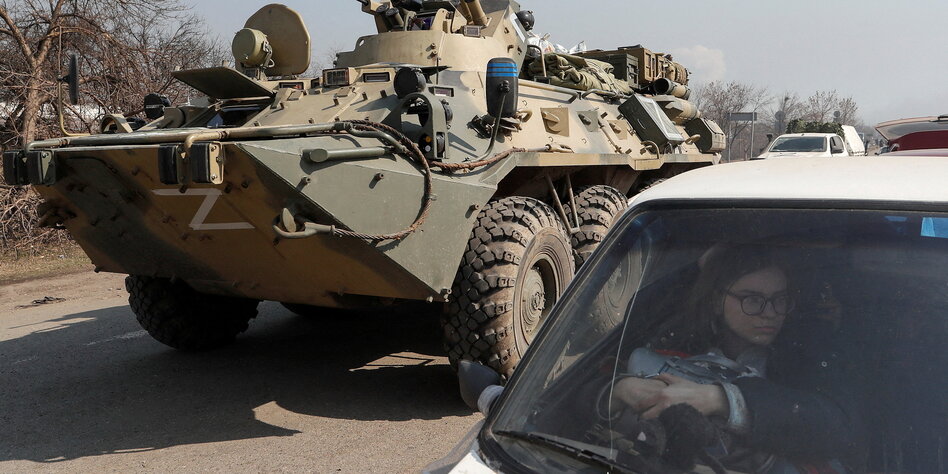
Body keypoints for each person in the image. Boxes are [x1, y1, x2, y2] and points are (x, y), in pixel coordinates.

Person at [611, 244, 863, 472]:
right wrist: (618, 390)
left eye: (780, 299)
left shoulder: (805, 354)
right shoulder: (680, 340)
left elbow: (837, 426)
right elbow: (633, 322)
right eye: (752, 299)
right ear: (716, 300)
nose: (770, 313)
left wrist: (721, 399)